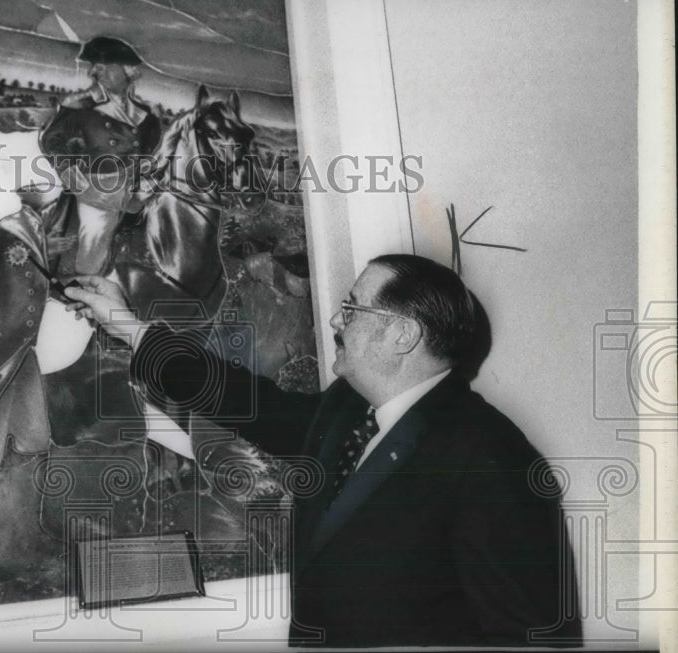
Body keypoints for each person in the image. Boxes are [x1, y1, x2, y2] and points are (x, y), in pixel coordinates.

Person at [63, 254, 582, 648]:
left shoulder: (490, 457)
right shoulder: (347, 411)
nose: (336, 321)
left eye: (352, 309)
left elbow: (531, 636)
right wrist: (129, 327)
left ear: (403, 335)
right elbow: (251, 402)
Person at [39, 36, 162, 276]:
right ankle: (84, 287)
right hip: (95, 187)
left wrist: (145, 184)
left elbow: (148, 154)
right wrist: (74, 177)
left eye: (104, 67)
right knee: (95, 233)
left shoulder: (147, 116)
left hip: (132, 188)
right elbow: (51, 141)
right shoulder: (81, 108)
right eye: (94, 67)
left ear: (127, 71)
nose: (95, 73)